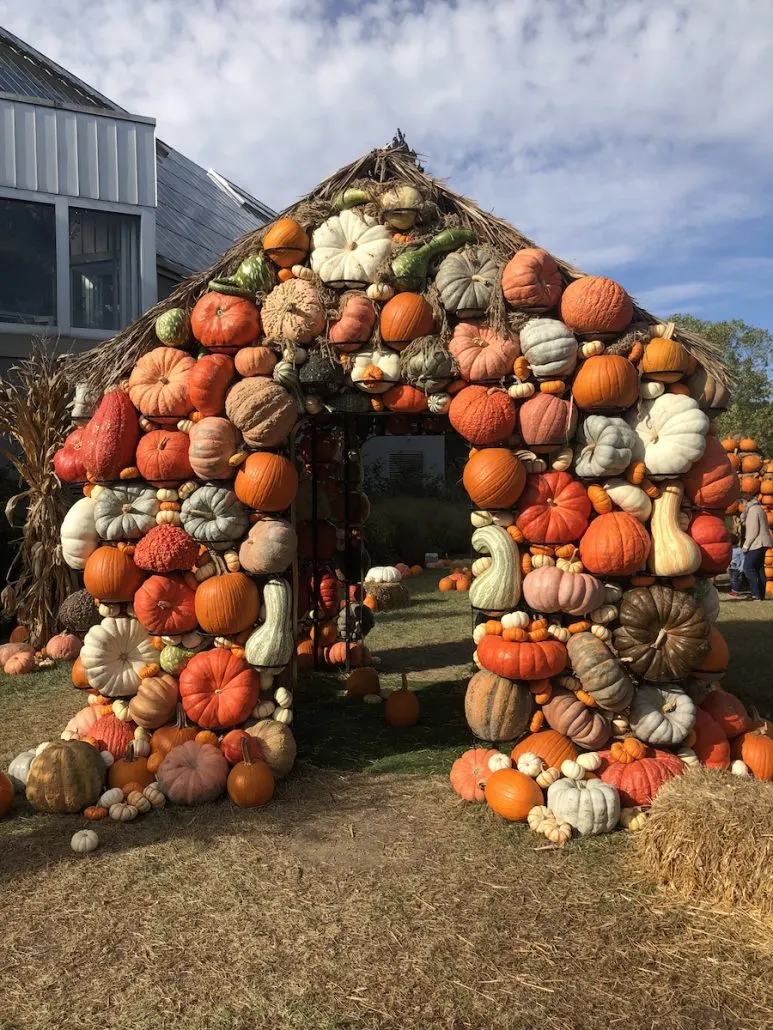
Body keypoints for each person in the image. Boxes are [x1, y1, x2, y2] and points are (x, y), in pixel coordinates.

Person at [740, 492, 773, 600]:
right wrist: (744, 514)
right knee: (759, 568)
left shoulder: (753, 511)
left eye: (742, 503)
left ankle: (755, 594)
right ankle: (761, 595)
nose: (742, 506)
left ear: (745, 501)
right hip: (764, 542)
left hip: (757, 543)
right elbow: (745, 523)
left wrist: (745, 546)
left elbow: (753, 531)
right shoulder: (758, 508)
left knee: (748, 567)